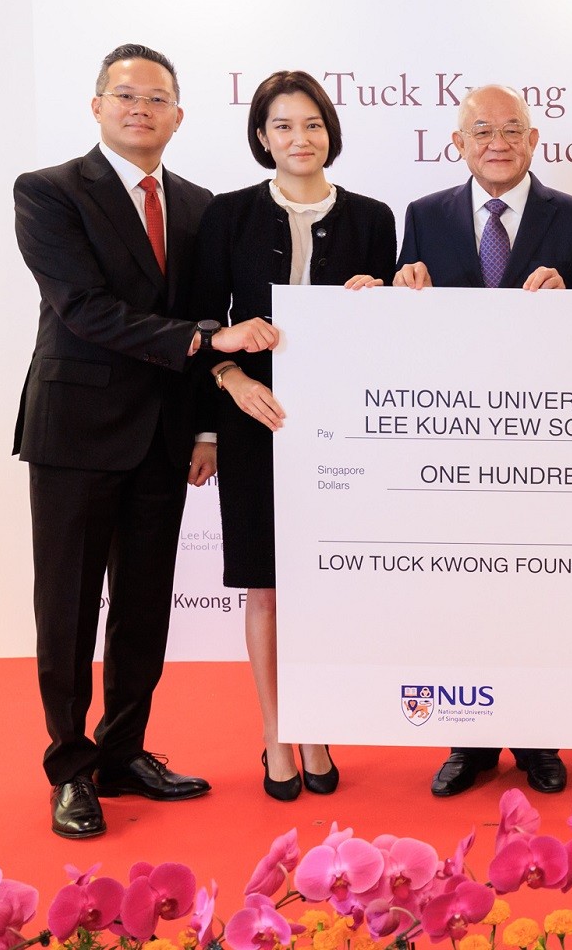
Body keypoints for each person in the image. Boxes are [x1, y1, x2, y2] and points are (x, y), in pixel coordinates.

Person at [15, 43, 278, 838]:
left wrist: (206, 426)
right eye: (125, 95)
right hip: (75, 432)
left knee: (141, 608)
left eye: (157, 98)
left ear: (179, 116)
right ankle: (70, 766)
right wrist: (204, 339)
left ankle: (123, 751)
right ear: (97, 105)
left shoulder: (199, 205)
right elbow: (84, 309)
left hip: (165, 436)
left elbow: (210, 313)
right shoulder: (49, 192)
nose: (141, 108)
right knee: (67, 609)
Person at [396, 84, 572, 797]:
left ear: (534, 139)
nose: (497, 142)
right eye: (480, 130)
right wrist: (400, 288)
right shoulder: (423, 216)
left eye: (511, 129)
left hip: (547, 444)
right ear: (458, 143)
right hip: (454, 445)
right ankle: (472, 741)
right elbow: (406, 329)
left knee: (541, 596)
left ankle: (539, 737)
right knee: (463, 595)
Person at [193, 70, 397, 802]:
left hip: (342, 431)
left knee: (325, 586)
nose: (299, 138)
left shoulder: (374, 217)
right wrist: (230, 383)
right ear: (262, 136)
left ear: (329, 132)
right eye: (282, 125)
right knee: (268, 588)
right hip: (254, 421)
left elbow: (390, 337)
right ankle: (278, 732)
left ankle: (319, 726)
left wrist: (381, 301)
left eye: (311, 124)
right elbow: (202, 322)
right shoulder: (226, 215)